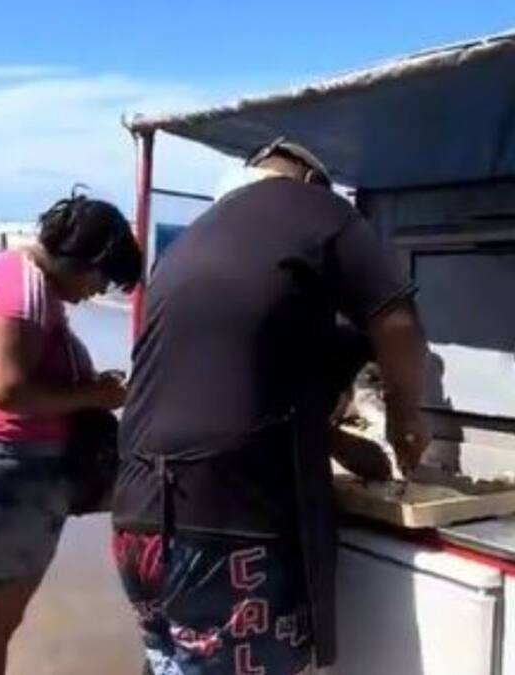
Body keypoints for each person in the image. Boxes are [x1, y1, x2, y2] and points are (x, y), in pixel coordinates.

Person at [111, 138, 429, 674]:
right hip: (229, 529)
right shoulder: (321, 210)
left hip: (137, 521)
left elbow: (228, 393)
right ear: (309, 181)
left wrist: (341, 442)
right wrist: (407, 420)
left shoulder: (195, 239)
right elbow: (398, 323)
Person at [0, 191, 143, 675]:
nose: (99, 292)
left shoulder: (22, 279)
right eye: (103, 279)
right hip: (11, 467)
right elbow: (10, 391)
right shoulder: (23, 290)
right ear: (86, 260)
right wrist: (95, 399)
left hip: (7, 465)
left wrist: (89, 387)